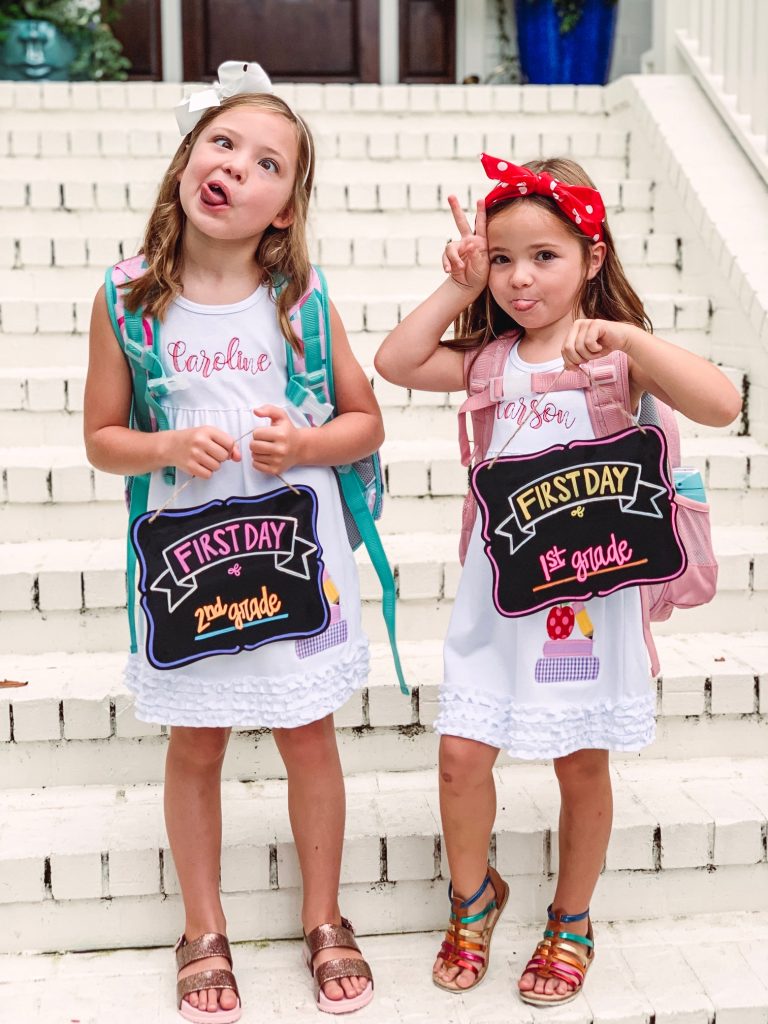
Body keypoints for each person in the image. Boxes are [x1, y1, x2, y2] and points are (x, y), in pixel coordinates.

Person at [374, 154, 742, 1006]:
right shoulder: (489, 362)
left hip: (587, 602)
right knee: (461, 755)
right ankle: (474, 898)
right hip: (498, 598)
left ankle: (571, 918)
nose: (520, 278)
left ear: (592, 257)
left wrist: (630, 340)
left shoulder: (614, 360)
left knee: (580, 761)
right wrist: (459, 286)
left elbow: (723, 404)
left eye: (544, 256)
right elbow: (397, 360)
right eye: (503, 259)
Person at [84, 64, 382, 1021]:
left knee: (308, 733)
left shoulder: (301, 301)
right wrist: (166, 445)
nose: (234, 167)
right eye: (222, 143)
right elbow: (101, 439)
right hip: (191, 559)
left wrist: (305, 443)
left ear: (284, 209)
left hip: (294, 553)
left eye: (266, 163)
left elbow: (365, 422)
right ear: (187, 161)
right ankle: (202, 927)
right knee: (197, 741)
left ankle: (324, 915)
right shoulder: (127, 301)